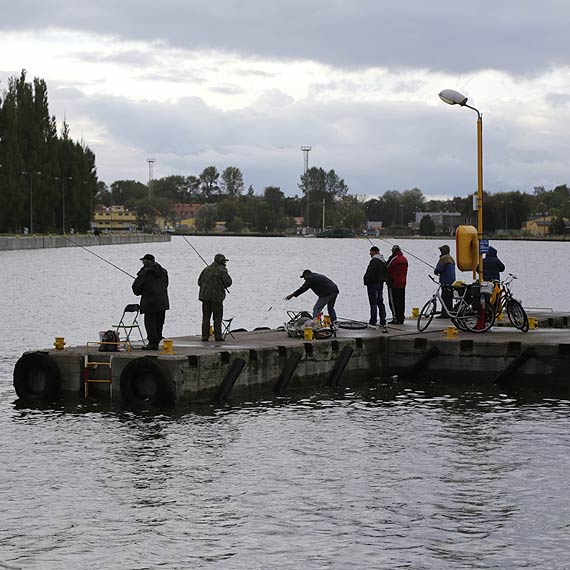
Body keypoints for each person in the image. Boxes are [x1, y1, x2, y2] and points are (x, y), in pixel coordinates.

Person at [132, 253, 170, 350]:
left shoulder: (145, 272)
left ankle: (152, 343)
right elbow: (165, 284)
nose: (142, 263)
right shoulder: (164, 272)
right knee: (159, 321)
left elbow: (136, 289)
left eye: (143, 261)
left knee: (150, 322)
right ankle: (157, 340)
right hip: (162, 301)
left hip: (149, 302)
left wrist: (143, 289)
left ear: (146, 261)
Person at [198, 253, 232, 342]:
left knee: (206, 317)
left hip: (205, 297)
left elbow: (199, 282)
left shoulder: (206, 269)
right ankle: (218, 337)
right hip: (216, 298)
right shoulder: (222, 270)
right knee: (217, 317)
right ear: (221, 261)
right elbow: (229, 282)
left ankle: (205, 337)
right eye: (224, 261)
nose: (225, 263)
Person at [363, 246, 388, 327]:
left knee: (373, 303)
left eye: (370, 252)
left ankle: (373, 321)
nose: (370, 254)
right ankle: (382, 320)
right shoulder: (383, 261)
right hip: (380, 284)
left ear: (374, 252)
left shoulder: (374, 261)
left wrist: (366, 281)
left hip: (372, 285)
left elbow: (370, 273)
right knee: (380, 302)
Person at [387, 244, 409, 324]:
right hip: (403, 283)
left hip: (394, 283)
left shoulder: (394, 259)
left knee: (393, 301)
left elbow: (387, 268)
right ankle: (401, 318)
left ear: (393, 251)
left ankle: (395, 318)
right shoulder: (404, 259)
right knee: (401, 301)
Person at [434, 244, 456, 317]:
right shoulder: (451, 258)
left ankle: (444, 313)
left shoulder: (444, 258)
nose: (440, 252)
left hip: (445, 281)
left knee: (444, 297)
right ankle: (449, 311)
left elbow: (438, 269)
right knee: (449, 297)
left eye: (441, 250)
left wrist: (436, 271)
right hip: (452, 281)